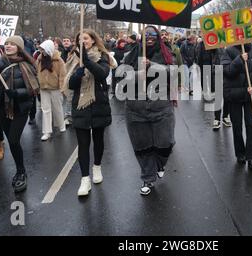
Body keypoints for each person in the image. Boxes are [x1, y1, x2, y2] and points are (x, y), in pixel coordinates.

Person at [122, 26, 176, 196]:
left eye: (153, 35)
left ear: (158, 37)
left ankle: (160, 164)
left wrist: (151, 66)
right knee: (142, 146)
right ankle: (148, 178)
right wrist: (138, 73)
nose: (150, 38)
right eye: (146, 35)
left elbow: (172, 73)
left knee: (165, 142)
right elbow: (121, 75)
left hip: (161, 107)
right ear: (141, 38)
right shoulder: (130, 54)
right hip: (135, 108)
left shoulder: (166, 52)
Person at [67, 29, 115, 197]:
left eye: (86, 38)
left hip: (98, 103)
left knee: (98, 139)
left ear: (93, 40)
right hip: (80, 105)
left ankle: (97, 167)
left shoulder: (103, 56)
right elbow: (70, 84)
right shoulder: (73, 58)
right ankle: (84, 179)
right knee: (83, 143)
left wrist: (86, 62)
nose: (83, 41)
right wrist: (77, 74)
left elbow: (102, 74)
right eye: (80, 39)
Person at [0, 36, 40, 193]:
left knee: (13, 140)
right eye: (6, 43)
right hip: (2, 107)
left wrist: (16, 93)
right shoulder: (0, 62)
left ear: (19, 47)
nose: (8, 46)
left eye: (12, 44)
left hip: (20, 108)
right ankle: (20, 169)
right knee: (12, 141)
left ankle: (21, 172)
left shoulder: (28, 65)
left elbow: (34, 88)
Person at [221, 44, 252, 170]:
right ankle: (240, 153)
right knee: (237, 126)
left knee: (251, 125)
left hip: (250, 95)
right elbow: (227, 71)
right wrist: (239, 60)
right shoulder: (229, 51)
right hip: (234, 95)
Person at [36, 40, 67, 141]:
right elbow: (36, 71)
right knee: (45, 110)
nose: (42, 51)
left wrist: (62, 88)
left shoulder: (59, 60)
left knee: (57, 108)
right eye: (41, 49)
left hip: (55, 88)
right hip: (43, 88)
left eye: (44, 49)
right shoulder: (40, 60)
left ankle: (61, 126)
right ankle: (47, 131)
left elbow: (63, 75)